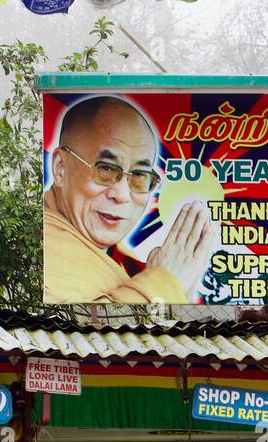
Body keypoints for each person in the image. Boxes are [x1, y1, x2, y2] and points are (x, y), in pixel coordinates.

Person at [43, 96, 212, 304]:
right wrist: (163, 284)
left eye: (140, 175)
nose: (122, 195)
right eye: (105, 168)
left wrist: (179, 287)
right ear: (61, 168)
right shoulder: (44, 251)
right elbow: (78, 330)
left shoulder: (116, 256)